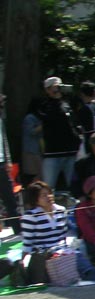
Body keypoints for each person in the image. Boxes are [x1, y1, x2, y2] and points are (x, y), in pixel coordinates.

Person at [20, 180, 95, 282]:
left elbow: (63, 235)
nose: (49, 197)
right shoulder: (30, 216)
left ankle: (89, 272)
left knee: (74, 253)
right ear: (35, 200)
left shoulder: (60, 210)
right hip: (43, 253)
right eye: (43, 195)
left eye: (49, 193)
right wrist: (22, 262)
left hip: (61, 249)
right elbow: (28, 243)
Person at [39, 76, 81, 189]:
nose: (58, 89)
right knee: (48, 187)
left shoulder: (67, 103)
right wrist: (55, 97)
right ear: (47, 89)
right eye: (55, 87)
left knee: (73, 185)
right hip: (52, 153)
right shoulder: (44, 105)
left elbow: (76, 115)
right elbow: (50, 117)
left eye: (60, 86)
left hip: (70, 151)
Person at [0, 93, 21, 235]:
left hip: (1, 163)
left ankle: (18, 230)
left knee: (10, 198)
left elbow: (4, 140)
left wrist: (8, 160)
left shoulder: (0, 119)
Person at [21, 97, 44, 186]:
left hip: (39, 150)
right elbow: (31, 132)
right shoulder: (29, 118)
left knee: (41, 173)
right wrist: (43, 125)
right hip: (31, 150)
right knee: (34, 173)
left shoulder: (40, 117)